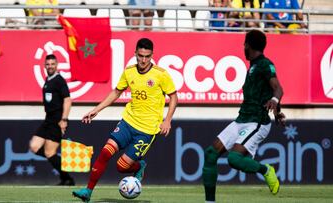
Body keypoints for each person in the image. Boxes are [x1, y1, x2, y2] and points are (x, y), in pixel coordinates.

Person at [72, 38, 178, 202]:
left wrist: (167, 120)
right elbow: (116, 92)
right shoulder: (129, 72)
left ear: (152, 55)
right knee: (105, 152)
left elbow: (173, 97)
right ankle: (88, 191)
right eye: (140, 55)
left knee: (121, 167)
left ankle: (139, 166)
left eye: (147, 56)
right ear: (135, 53)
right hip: (128, 122)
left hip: (147, 131)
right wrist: (96, 110)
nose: (143, 60)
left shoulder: (161, 74)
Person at [202, 30, 286, 203]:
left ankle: (266, 170)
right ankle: (209, 201)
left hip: (257, 122)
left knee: (234, 158)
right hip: (242, 119)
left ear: (247, 45)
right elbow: (268, 92)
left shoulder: (264, 64)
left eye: (244, 44)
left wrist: (275, 101)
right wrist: (277, 110)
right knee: (211, 153)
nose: (243, 47)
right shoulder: (253, 66)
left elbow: (278, 88)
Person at [29, 54, 75, 186]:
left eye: (52, 64)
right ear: (45, 66)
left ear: (57, 65)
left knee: (50, 153)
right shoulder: (47, 80)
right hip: (48, 119)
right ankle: (60, 165)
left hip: (57, 120)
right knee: (34, 146)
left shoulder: (59, 80)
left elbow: (67, 100)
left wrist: (64, 119)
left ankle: (67, 179)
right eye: (48, 64)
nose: (50, 66)